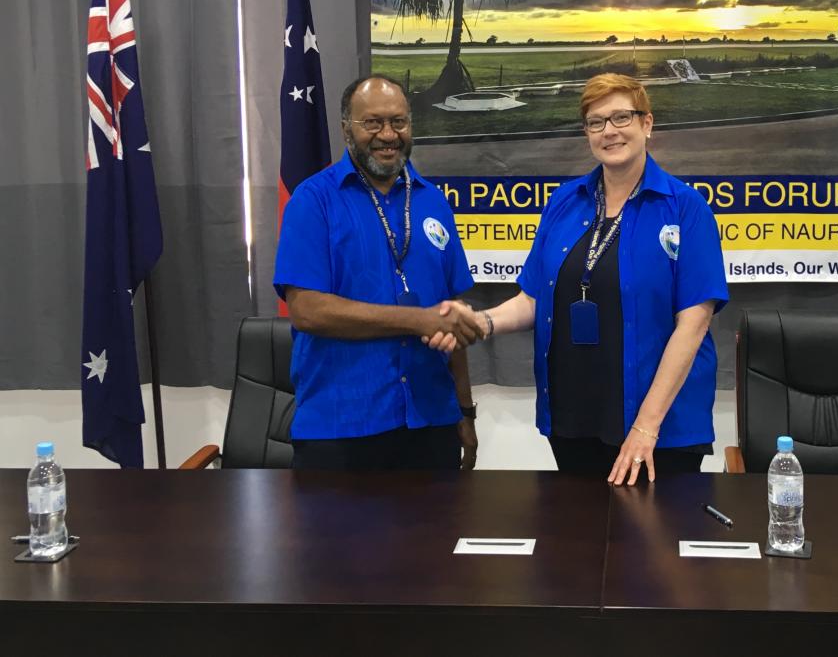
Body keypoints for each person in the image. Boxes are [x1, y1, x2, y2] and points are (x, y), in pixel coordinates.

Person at [468, 73, 728, 484]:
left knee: (651, 542)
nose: (609, 131)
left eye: (621, 117)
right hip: (575, 414)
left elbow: (693, 324)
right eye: (596, 121)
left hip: (660, 430)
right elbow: (534, 299)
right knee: (580, 541)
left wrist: (646, 427)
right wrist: (479, 323)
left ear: (647, 124)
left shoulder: (685, 208)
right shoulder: (564, 202)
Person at [274, 76, 483, 471]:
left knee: (434, 536)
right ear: (346, 128)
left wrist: (465, 410)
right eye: (372, 123)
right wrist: (414, 320)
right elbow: (307, 311)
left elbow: (451, 316)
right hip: (341, 429)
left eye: (399, 122)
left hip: (430, 423)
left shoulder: (433, 202)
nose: (388, 135)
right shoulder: (313, 201)